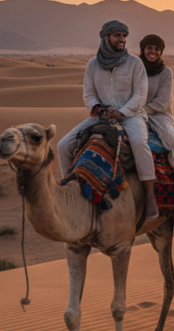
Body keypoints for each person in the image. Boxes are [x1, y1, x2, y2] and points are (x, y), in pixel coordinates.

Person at [57, 20, 159, 220]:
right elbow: (88, 93)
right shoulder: (93, 65)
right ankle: (70, 189)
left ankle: (150, 196)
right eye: (117, 36)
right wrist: (96, 107)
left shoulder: (134, 63)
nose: (122, 39)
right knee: (63, 145)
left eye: (124, 36)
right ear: (106, 38)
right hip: (101, 117)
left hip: (131, 116)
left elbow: (140, 95)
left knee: (139, 143)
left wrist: (122, 112)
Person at [140, 33, 174, 196]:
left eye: (157, 49)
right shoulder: (134, 69)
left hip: (159, 114)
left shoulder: (166, 72)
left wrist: (140, 110)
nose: (152, 52)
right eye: (149, 48)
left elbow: (162, 102)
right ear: (143, 49)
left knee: (171, 138)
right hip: (133, 113)